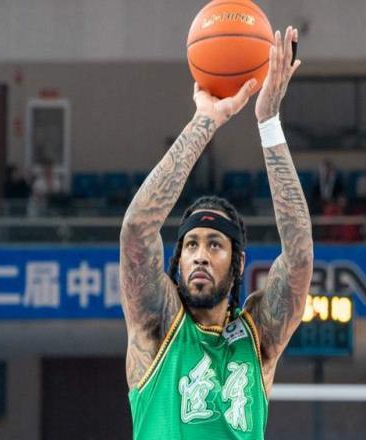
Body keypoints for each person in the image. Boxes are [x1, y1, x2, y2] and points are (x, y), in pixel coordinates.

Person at [120, 26, 313, 439]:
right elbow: (137, 229)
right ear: (178, 259)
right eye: (191, 244)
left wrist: (269, 123)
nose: (200, 255)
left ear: (238, 262)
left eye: (214, 244)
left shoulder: (258, 336)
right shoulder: (158, 326)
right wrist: (205, 121)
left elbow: (298, 257)